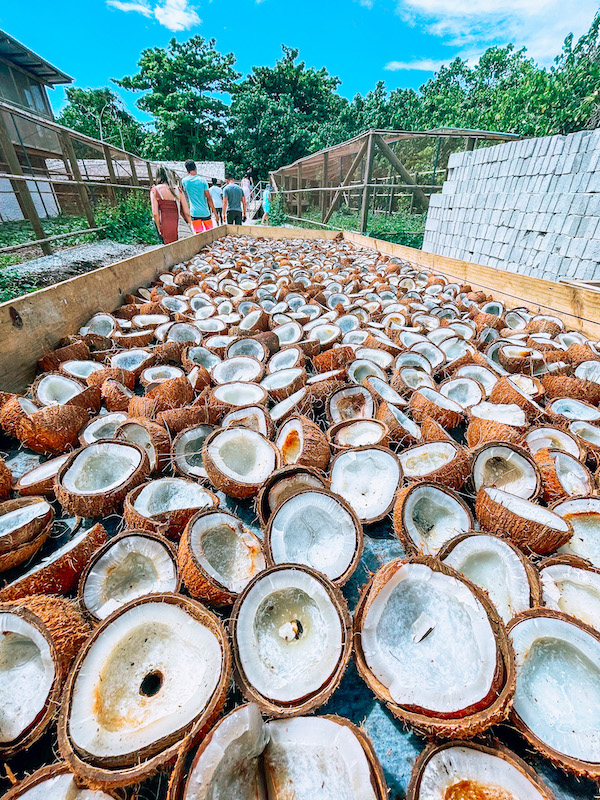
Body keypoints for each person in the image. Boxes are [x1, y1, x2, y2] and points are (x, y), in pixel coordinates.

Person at [150, 165, 192, 244]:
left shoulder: (154, 190)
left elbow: (155, 213)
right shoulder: (177, 190)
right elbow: (186, 212)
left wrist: (159, 227)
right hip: (178, 223)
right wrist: (190, 224)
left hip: (165, 224)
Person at [182, 160, 217, 233]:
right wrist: (215, 213)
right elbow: (209, 198)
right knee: (210, 234)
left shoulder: (184, 181)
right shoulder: (202, 180)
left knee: (199, 236)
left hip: (194, 213)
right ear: (196, 168)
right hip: (205, 212)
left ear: (187, 170)